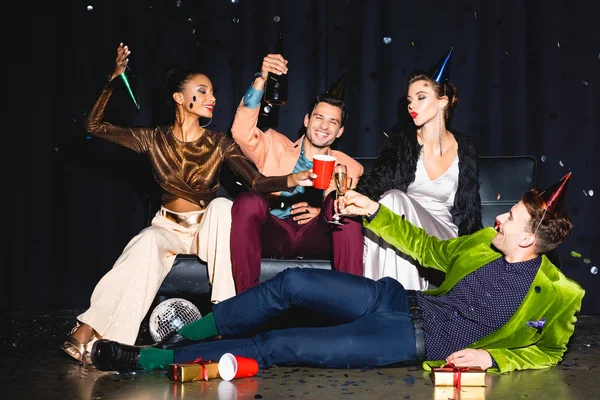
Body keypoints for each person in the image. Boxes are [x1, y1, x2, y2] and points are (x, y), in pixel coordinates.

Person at [89, 172, 584, 375]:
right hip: (396, 301)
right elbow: (429, 247)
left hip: (407, 341)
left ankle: (151, 361)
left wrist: (492, 361)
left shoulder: (560, 294)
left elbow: (549, 349)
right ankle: (186, 333)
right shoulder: (483, 245)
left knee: (283, 345)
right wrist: (373, 211)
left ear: (528, 238)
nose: (498, 218)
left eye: (511, 218)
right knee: (291, 284)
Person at [61, 43, 316, 361]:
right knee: (144, 242)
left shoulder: (219, 143)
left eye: (212, 92)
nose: (212, 98)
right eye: (203, 91)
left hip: (206, 227)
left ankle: (225, 319)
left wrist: (291, 180)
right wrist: (113, 80)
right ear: (179, 98)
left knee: (224, 207)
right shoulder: (153, 139)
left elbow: (255, 183)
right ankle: (90, 328)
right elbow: (93, 127)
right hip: (167, 226)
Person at [228, 53, 364, 294]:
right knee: (248, 200)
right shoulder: (272, 144)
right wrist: (262, 79)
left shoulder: (350, 168)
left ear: (340, 132)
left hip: (316, 235)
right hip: (274, 229)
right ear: (306, 120)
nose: (324, 126)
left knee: (344, 208)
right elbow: (240, 132)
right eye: (319, 118)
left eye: (333, 122)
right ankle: (245, 303)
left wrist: (323, 211)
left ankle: (351, 303)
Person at [355, 48, 482, 290]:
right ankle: (398, 303)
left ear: (443, 101)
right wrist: (354, 197)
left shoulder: (466, 149)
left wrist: (474, 252)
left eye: (421, 97)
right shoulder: (401, 139)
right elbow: (378, 178)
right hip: (402, 223)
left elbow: (470, 210)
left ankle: (395, 303)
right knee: (392, 200)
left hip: (441, 235)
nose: (412, 105)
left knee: (393, 205)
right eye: (410, 100)